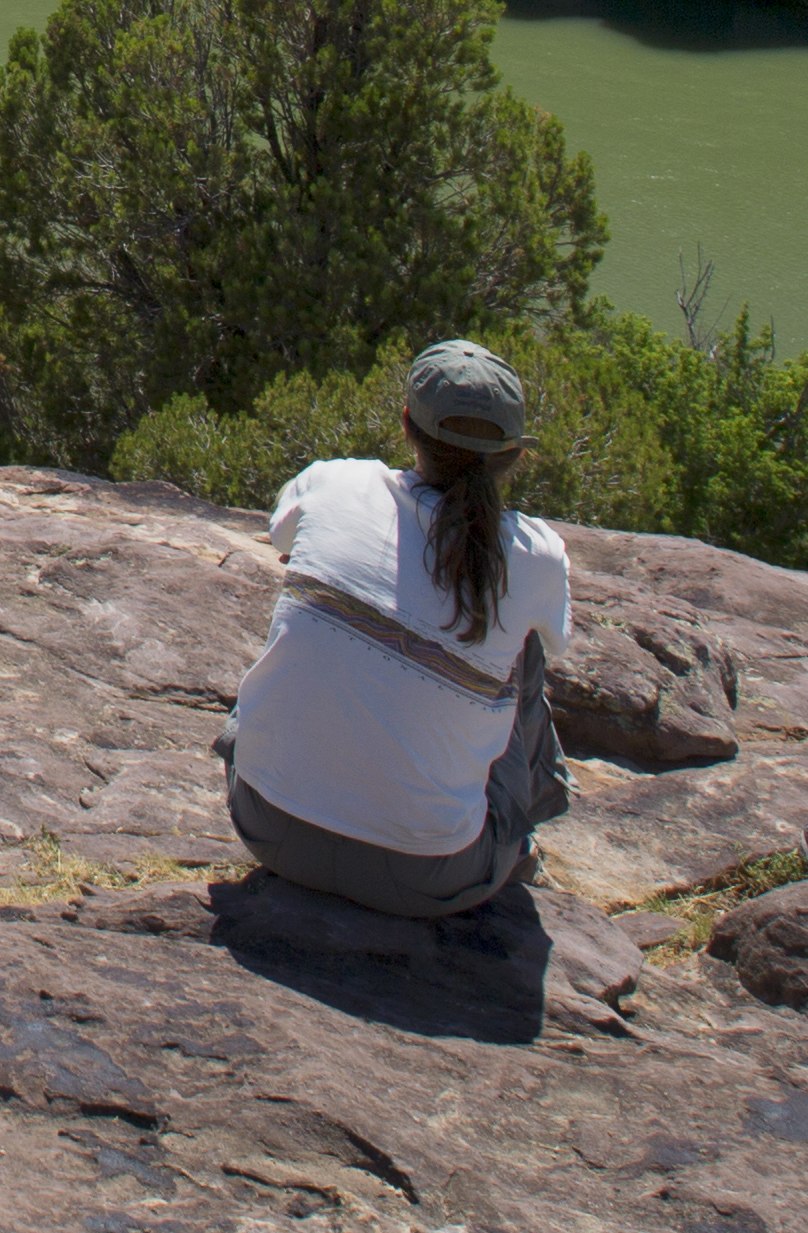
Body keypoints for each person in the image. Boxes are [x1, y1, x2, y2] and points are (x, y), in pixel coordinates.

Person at [218, 337, 578, 918]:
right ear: (514, 454)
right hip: (429, 878)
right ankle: (520, 838)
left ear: (407, 423)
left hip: (270, 825)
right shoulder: (537, 557)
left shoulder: (336, 484)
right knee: (523, 648)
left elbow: (282, 535)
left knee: (310, 592)